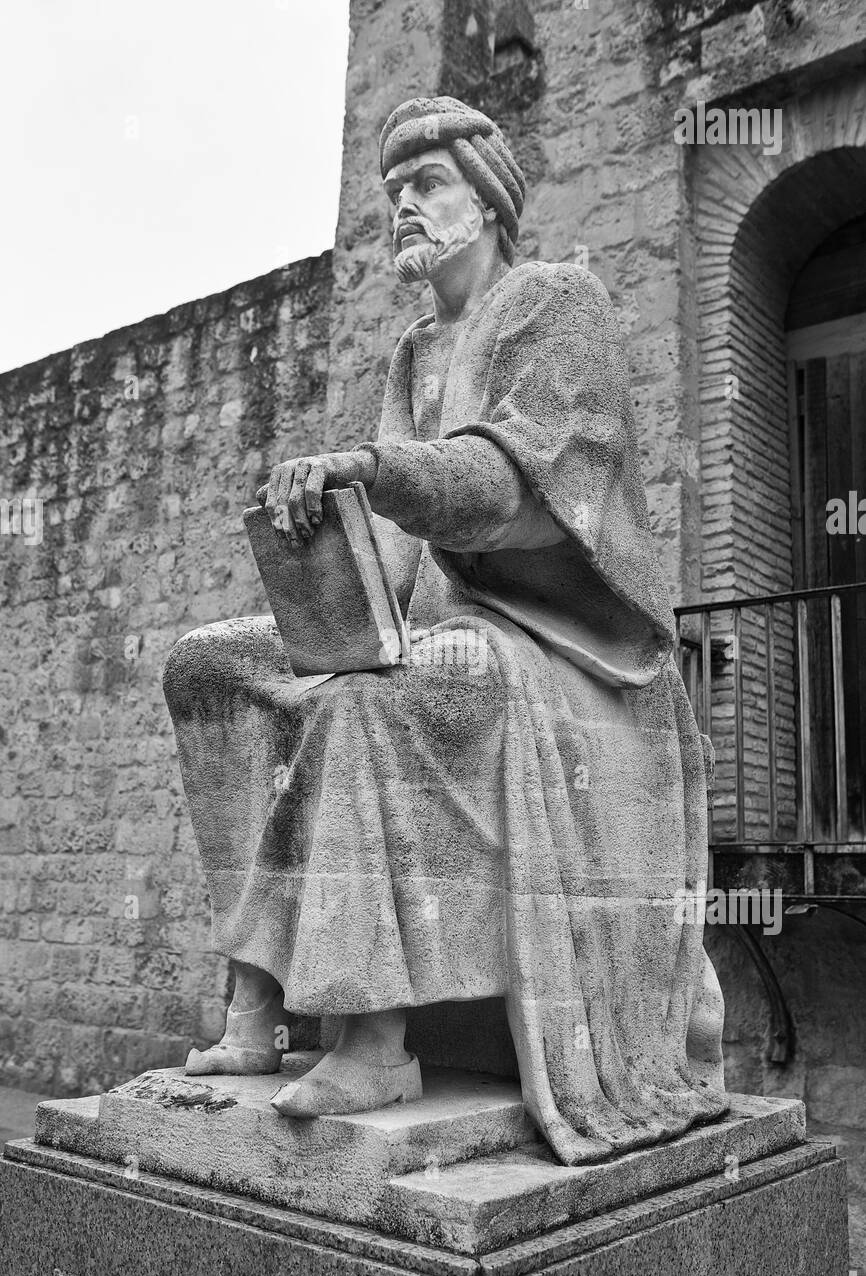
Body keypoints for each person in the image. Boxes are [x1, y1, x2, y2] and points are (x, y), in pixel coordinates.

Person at [163, 95, 727, 1164]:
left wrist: (375, 474)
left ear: (488, 196)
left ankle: (372, 1038)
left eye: (424, 187)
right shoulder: (411, 356)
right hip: (444, 629)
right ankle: (255, 1005)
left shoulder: (557, 305)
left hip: (564, 652)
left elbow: (503, 484)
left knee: (373, 693)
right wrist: (324, 565)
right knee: (212, 668)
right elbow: (398, 556)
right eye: (390, 194)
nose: (402, 210)